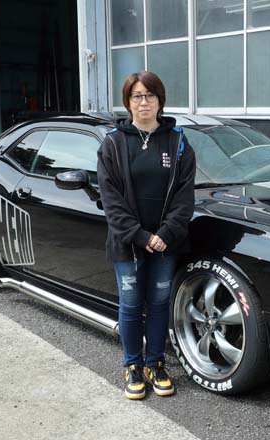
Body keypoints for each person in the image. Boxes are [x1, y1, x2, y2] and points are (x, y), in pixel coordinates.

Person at [97, 71, 196, 400]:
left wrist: (164, 234)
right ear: (128, 102)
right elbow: (110, 200)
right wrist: (141, 236)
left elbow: (185, 197)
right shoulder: (112, 143)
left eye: (150, 96)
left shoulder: (178, 142)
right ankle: (132, 365)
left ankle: (156, 363)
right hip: (129, 244)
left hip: (167, 243)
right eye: (137, 96)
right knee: (130, 304)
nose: (144, 102)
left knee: (158, 305)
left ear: (160, 100)